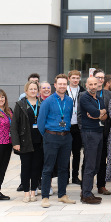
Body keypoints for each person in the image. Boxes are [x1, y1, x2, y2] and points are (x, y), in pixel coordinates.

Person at [37, 74, 76, 208]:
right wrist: (48, 136)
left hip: (66, 137)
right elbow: (40, 122)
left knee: (64, 168)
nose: (62, 86)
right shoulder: (48, 101)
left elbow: (69, 117)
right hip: (51, 137)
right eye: (60, 84)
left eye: (64, 84)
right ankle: (45, 197)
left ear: (67, 85)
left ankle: (62, 195)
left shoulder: (70, 101)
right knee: (48, 167)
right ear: (55, 85)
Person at [11, 81, 44, 202]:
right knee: (26, 167)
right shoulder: (20, 104)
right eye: (31, 89)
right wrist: (16, 142)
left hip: (39, 141)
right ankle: (26, 193)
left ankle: (33, 192)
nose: (33, 91)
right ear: (26, 91)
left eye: (35, 89)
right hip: (25, 141)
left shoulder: (42, 103)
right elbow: (14, 125)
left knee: (36, 167)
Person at [78, 77, 105, 204]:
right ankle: (86, 194)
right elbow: (94, 112)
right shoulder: (84, 97)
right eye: (91, 84)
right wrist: (99, 113)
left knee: (96, 165)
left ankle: (86, 190)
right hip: (89, 133)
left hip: (99, 132)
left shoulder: (99, 98)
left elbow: (105, 115)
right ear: (86, 85)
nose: (93, 86)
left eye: (95, 84)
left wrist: (100, 113)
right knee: (90, 164)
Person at [93, 69, 111, 196]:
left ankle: (101, 185)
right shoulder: (87, 94)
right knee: (89, 161)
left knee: (102, 160)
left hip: (105, 131)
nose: (100, 80)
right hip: (91, 132)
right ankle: (87, 187)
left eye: (102, 78)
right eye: (98, 77)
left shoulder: (109, 95)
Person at [66, 70, 85, 186]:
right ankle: (66, 176)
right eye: (73, 78)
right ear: (69, 78)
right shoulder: (64, 91)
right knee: (66, 153)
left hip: (78, 126)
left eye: (77, 78)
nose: (75, 80)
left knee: (77, 153)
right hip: (67, 126)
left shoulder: (82, 91)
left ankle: (75, 176)